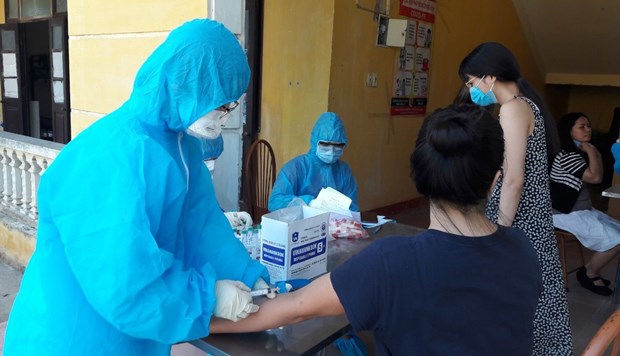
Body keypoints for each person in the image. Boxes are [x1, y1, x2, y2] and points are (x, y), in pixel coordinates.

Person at [4, 19, 272, 355]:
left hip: (133, 337)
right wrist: (208, 296)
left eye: (231, 105)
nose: (225, 117)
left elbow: (201, 227)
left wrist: (247, 275)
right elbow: (124, 282)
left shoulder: (181, 147)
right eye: (220, 105)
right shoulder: (109, 155)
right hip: (70, 336)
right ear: (184, 85)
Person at [210, 105, 542, 355]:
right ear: (496, 179)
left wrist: (186, 315)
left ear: (418, 176)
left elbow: (293, 308)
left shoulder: (391, 263)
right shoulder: (524, 250)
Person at [459, 42, 573, 354]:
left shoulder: (511, 109)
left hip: (522, 221)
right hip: (536, 217)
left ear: (489, 77)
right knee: (538, 290)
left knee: (516, 294)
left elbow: (514, 179)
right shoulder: (528, 105)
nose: (471, 90)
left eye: (471, 83)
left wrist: (501, 231)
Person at [550, 112, 620, 296]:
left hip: (580, 210)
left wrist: (590, 150)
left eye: (588, 125)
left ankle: (588, 270)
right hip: (563, 214)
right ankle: (590, 273)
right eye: (582, 127)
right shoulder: (567, 155)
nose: (587, 129)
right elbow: (596, 177)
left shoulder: (576, 152)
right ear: (569, 131)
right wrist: (592, 150)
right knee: (616, 240)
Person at [268, 112, 359, 212]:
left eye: (338, 145)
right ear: (315, 141)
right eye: (325, 144)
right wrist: (308, 202)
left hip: (334, 224)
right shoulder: (295, 168)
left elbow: (352, 208)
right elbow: (275, 202)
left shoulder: (344, 171)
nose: (331, 151)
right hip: (301, 224)